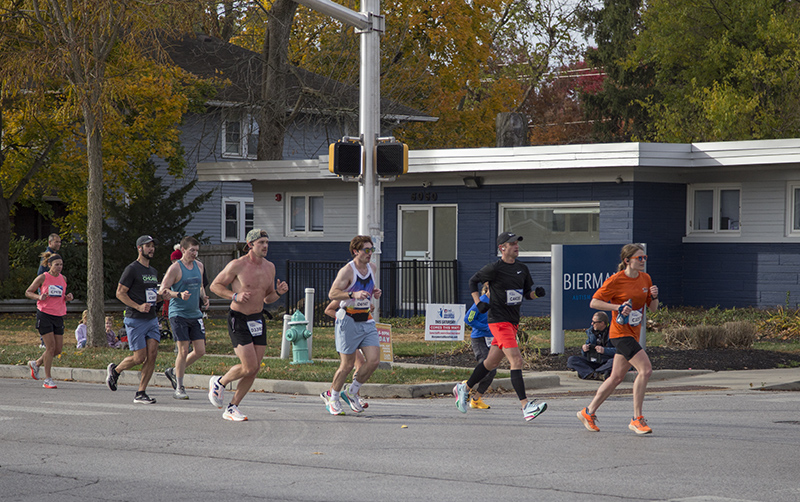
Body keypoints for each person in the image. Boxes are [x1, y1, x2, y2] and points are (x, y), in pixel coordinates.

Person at [453, 232, 548, 422]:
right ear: (502, 248)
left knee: (491, 363)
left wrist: (536, 294)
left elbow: (526, 294)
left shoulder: (522, 269)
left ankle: (464, 387)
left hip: (512, 322)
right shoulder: (494, 268)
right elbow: (473, 281)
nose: (516, 246)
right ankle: (526, 406)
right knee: (517, 361)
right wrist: (478, 302)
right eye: (512, 243)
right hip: (498, 320)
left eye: (517, 243)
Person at [577, 243, 659, 435]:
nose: (643, 261)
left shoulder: (646, 278)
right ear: (627, 260)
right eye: (639, 258)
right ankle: (637, 419)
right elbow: (594, 302)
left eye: (644, 258)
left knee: (616, 377)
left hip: (633, 333)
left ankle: (588, 412)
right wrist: (617, 307)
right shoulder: (616, 280)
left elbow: (653, 309)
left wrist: (654, 296)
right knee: (645, 370)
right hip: (620, 333)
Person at [208, 229, 288, 421]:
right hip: (239, 318)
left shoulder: (270, 267)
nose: (265, 246)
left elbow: (267, 298)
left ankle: (232, 407)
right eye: (261, 242)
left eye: (267, 242)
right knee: (248, 366)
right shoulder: (237, 265)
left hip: (257, 319)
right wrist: (234, 295)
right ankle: (220, 382)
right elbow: (215, 286)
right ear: (250, 245)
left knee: (255, 368)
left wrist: (278, 292)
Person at [320, 235, 383, 416]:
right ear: (356, 251)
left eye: (372, 249)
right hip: (348, 320)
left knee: (374, 361)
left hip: (366, 320)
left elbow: (368, 288)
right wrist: (352, 295)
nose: (370, 253)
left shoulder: (372, 268)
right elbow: (333, 293)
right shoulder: (347, 271)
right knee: (347, 365)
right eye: (366, 250)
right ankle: (332, 397)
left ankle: (352, 391)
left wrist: (374, 292)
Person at [106, 235, 163, 404]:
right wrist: (138, 306)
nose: (151, 249)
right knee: (139, 358)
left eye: (153, 246)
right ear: (139, 248)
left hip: (151, 319)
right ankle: (116, 370)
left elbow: (152, 296)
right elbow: (120, 293)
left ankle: (141, 392)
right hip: (135, 319)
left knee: (152, 354)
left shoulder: (153, 272)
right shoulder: (132, 269)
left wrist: (162, 296)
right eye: (148, 246)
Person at [159, 236, 210, 400]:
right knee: (183, 350)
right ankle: (179, 387)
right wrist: (178, 294)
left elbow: (200, 285)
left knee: (200, 351)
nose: (195, 254)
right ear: (183, 250)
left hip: (195, 314)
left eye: (197, 251)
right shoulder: (175, 268)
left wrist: (204, 297)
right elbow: (162, 290)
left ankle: (174, 371)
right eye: (192, 250)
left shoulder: (199, 266)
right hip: (178, 314)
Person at [25, 252, 73, 389]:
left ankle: (36, 363)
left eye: (61, 265)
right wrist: (39, 297)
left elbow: (61, 296)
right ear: (50, 265)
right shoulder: (43, 277)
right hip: (44, 314)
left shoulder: (63, 278)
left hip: (58, 315)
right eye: (57, 264)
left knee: (57, 349)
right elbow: (28, 292)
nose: (59, 267)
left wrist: (67, 298)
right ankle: (47, 379)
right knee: (50, 348)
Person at [323, 300, 369, 410]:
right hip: (346, 334)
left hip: (359, 332)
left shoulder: (364, 297)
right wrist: (343, 318)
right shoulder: (345, 295)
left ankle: (332, 393)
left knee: (358, 364)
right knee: (352, 365)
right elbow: (328, 310)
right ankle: (351, 395)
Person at [463, 284, 495, 409]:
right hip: (479, 339)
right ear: (488, 288)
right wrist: (486, 327)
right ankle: (466, 386)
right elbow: (468, 318)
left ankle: (476, 400)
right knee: (486, 366)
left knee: (492, 371)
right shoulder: (481, 301)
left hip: (492, 340)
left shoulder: (497, 302)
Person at [566, 312, 615, 380]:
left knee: (615, 362)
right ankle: (596, 374)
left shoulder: (613, 333)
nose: (592, 324)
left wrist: (604, 350)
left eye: (594, 322)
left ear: (602, 323)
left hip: (606, 360)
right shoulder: (592, 332)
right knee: (572, 360)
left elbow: (620, 351)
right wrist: (584, 349)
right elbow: (584, 354)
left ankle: (591, 373)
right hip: (593, 360)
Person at [36, 234, 62, 348]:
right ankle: (44, 341)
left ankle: (51, 340)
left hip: (54, 289)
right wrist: (42, 291)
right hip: (46, 290)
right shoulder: (48, 256)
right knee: (46, 314)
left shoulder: (55, 255)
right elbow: (41, 274)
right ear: (50, 242)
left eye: (59, 242)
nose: (59, 244)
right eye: (56, 242)